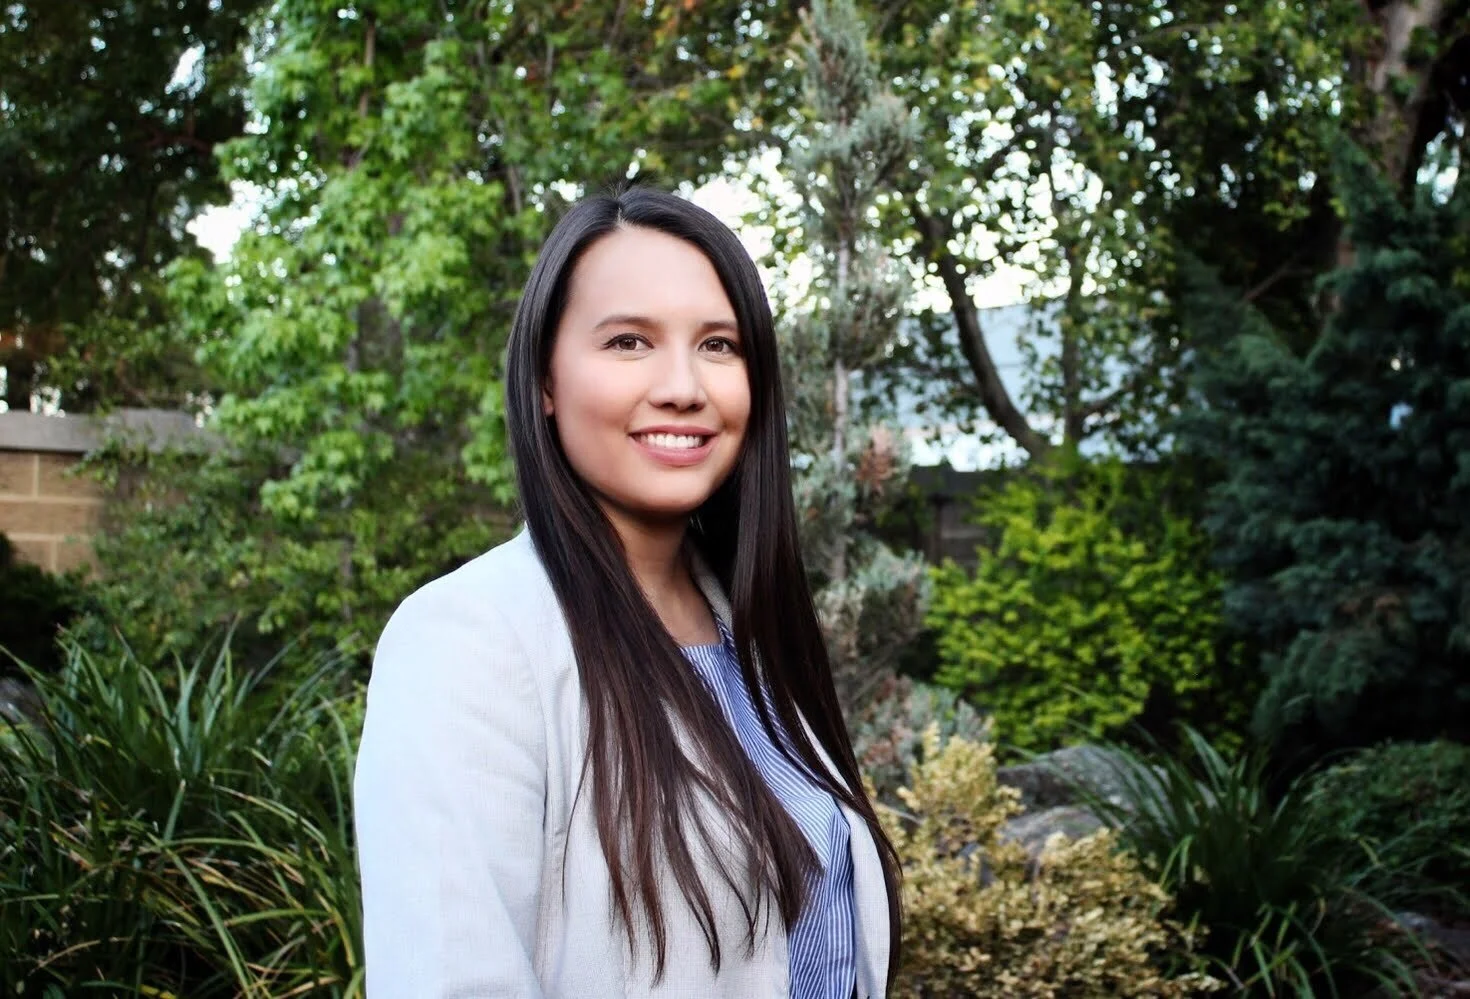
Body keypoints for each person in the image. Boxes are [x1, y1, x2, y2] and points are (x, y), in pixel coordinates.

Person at [353, 188, 900, 998]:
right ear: (545, 379)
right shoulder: (468, 643)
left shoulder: (751, 635)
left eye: (718, 344)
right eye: (629, 341)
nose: (683, 386)